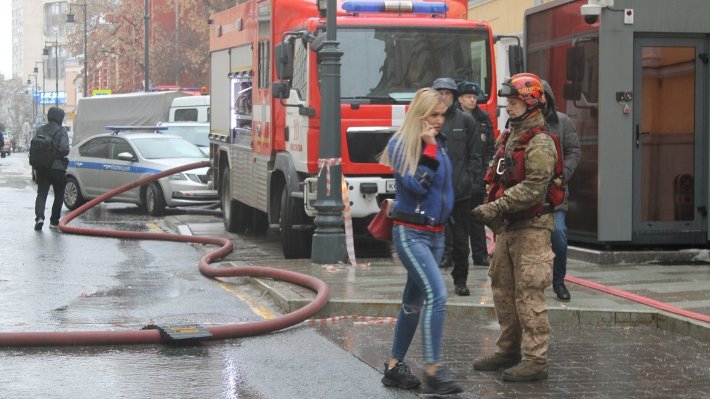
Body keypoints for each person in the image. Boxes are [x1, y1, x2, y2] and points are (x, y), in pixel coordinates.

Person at [471, 73, 558, 382]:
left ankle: (535, 360)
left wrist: (496, 207)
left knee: (529, 293)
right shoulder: (510, 136)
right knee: (503, 291)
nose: (508, 106)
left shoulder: (540, 141)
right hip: (509, 228)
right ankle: (509, 350)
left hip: (533, 229)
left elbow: (535, 187)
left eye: (514, 101)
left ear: (531, 103)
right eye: (508, 101)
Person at [378, 87, 463, 395]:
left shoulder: (438, 145)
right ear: (419, 115)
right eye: (433, 115)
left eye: (442, 115)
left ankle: (393, 366)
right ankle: (433, 369)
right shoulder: (402, 144)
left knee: (413, 304)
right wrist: (428, 149)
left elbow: (445, 189)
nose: (439, 121)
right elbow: (416, 187)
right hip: (411, 234)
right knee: (436, 296)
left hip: (436, 234)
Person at [432, 77, 481, 297]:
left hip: (459, 192)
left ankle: (460, 279)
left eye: (448, 93)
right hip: (433, 193)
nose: (443, 97)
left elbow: (475, 155)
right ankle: (431, 279)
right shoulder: (429, 120)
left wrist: (469, 181)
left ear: (453, 96)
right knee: (433, 237)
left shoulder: (465, 121)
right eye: (440, 93)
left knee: (462, 241)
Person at [542, 80, 581, 301]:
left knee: (559, 234)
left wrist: (562, 175)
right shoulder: (524, 122)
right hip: (530, 195)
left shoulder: (563, 122)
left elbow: (574, 151)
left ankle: (559, 282)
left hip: (555, 193)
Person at [456, 80, 495, 267]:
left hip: (478, 175)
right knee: (459, 220)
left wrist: (486, 171)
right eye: (468, 97)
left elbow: (490, 147)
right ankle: (457, 256)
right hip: (459, 177)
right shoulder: (453, 118)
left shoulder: (483, 118)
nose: (472, 100)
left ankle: (480, 255)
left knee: (478, 218)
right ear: (460, 99)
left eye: (474, 97)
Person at [34, 106, 70, 231]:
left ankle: (39, 217)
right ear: (60, 117)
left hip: (43, 168)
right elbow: (65, 149)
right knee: (59, 195)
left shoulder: (40, 130)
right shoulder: (62, 131)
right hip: (58, 168)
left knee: (42, 194)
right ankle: (54, 221)